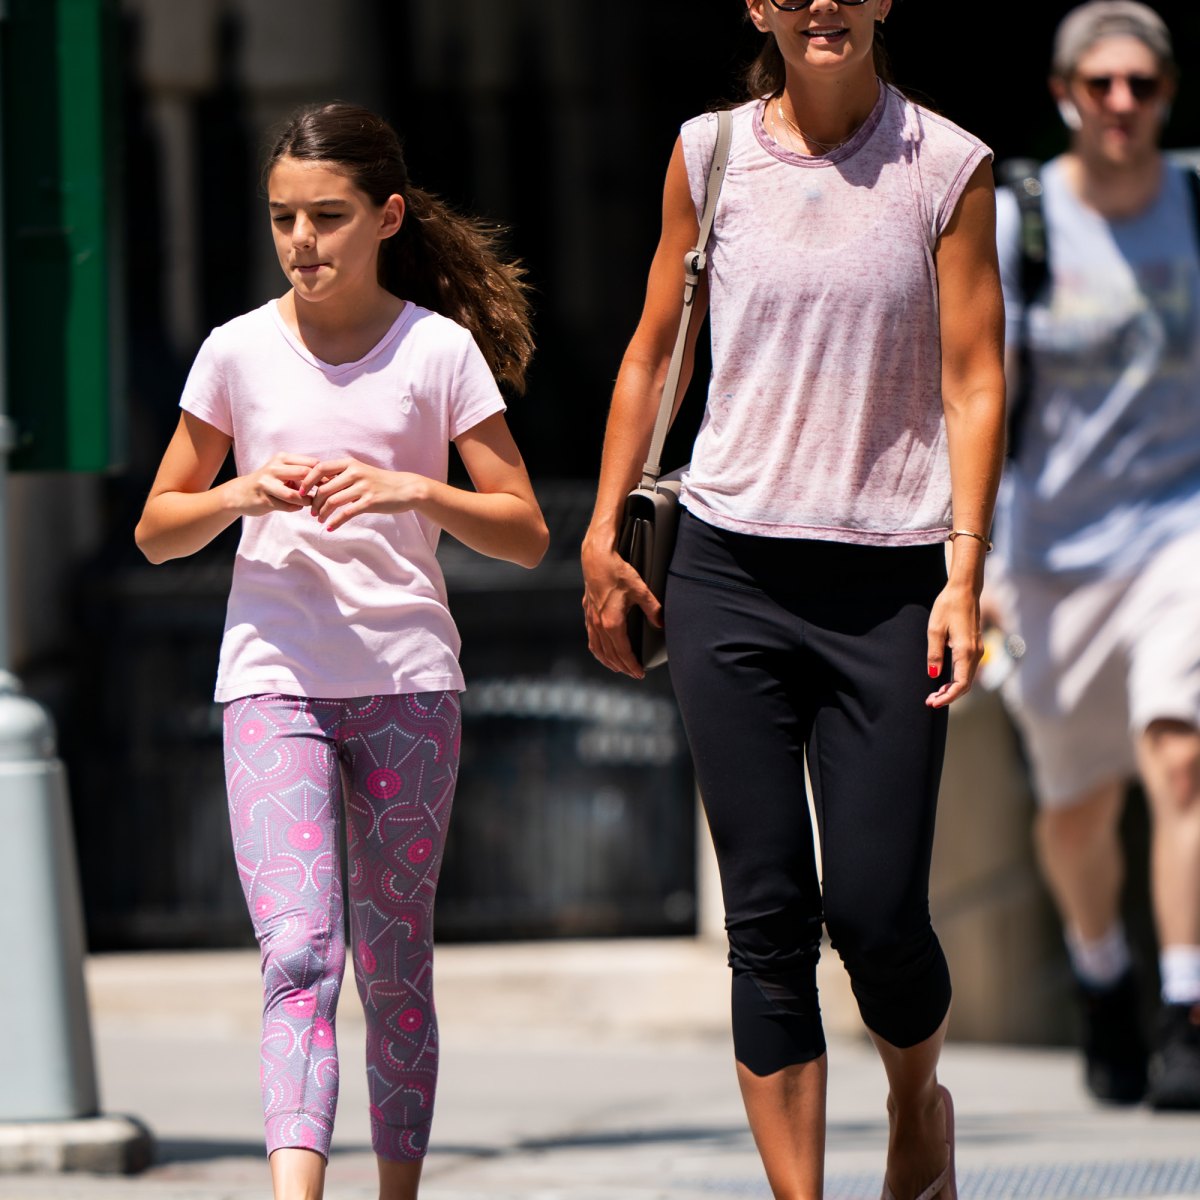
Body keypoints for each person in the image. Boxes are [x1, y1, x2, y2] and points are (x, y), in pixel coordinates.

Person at [581, 1, 1005, 1196]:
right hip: (729, 571)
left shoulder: (950, 166)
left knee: (877, 918)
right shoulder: (709, 154)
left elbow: (975, 377)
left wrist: (965, 571)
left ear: (881, 2)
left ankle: (917, 1100)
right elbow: (656, 348)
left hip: (889, 578)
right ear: (759, 5)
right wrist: (606, 527)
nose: (822, 3)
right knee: (766, 917)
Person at [134, 102, 548, 1200]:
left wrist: (414, 488)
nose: (302, 241)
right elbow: (156, 526)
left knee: (395, 964)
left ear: (387, 218)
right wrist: (238, 492)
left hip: (409, 684)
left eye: (327, 215)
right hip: (274, 681)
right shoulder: (235, 353)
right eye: (283, 219)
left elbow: (524, 528)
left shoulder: (438, 351)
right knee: (301, 958)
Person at [988, 0, 1200, 1110]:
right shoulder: (1019, 218)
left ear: (1165, 95)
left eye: (1144, 85)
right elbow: (970, 398)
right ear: (1068, 92)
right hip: (1047, 553)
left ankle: (1184, 1012)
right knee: (1076, 804)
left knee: (1180, 757)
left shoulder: (1197, 203)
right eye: (1102, 83)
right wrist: (965, 569)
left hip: (1181, 525)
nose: (1123, 104)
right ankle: (1103, 973)